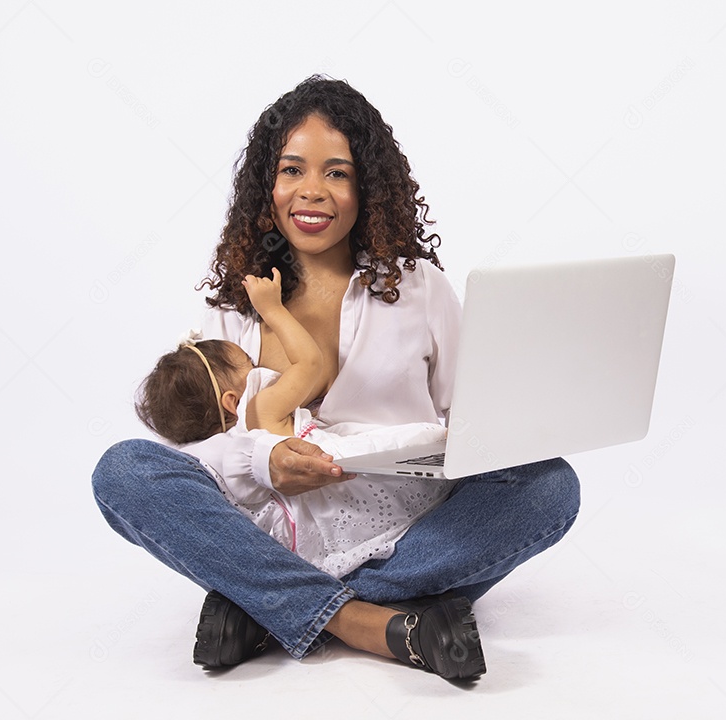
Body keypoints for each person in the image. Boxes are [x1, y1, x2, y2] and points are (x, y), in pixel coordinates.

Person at [91, 75, 581, 681]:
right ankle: (372, 623)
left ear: (366, 187)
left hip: (403, 527)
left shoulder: (418, 287)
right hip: (275, 526)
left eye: (337, 173)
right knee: (124, 470)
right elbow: (193, 442)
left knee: (550, 486)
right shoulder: (236, 302)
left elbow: (473, 420)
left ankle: (264, 607)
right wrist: (260, 459)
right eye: (292, 170)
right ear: (266, 185)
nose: (311, 192)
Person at [134, 267, 450, 579]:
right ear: (232, 401)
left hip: (299, 542)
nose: (258, 366)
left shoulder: (214, 459)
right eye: (249, 365)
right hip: (342, 492)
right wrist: (272, 311)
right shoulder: (259, 409)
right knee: (419, 447)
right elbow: (310, 364)